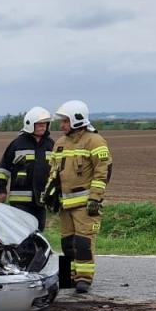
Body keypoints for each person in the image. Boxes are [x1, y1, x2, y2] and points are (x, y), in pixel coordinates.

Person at [44, 100, 111, 294]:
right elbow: (54, 172)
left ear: (77, 119)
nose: (61, 125)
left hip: (85, 204)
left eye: (65, 121)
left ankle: (83, 278)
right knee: (66, 243)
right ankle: (67, 277)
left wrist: (95, 198)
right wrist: (50, 194)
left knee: (83, 243)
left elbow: (102, 173)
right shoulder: (60, 143)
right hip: (65, 203)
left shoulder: (95, 141)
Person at [0, 106, 55, 228]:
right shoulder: (17, 144)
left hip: (41, 200)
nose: (43, 126)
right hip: (20, 201)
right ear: (30, 124)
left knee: (39, 231)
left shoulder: (50, 144)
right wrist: (0, 190)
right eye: (39, 124)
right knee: (22, 231)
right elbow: (3, 168)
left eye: (45, 124)